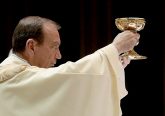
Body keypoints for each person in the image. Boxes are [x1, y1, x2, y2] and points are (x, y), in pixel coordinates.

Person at [0, 16, 139, 116]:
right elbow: (70, 78)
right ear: (32, 46)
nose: (59, 55)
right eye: (54, 47)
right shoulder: (13, 77)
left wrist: (112, 66)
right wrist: (115, 48)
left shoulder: (16, 76)